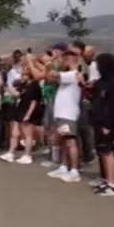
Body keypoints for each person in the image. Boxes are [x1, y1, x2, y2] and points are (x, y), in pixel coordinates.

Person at [42, 48, 84, 183]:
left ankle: (74, 170)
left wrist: (51, 62)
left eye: (66, 58)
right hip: (62, 114)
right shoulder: (68, 74)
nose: (64, 60)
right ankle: (64, 166)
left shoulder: (73, 74)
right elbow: (50, 79)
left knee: (70, 142)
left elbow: (52, 75)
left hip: (68, 114)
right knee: (64, 141)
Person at [90, 53, 114, 196]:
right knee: (101, 149)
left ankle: (112, 184)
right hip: (99, 118)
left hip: (107, 120)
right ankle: (106, 179)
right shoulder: (103, 81)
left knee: (108, 150)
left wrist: (109, 124)